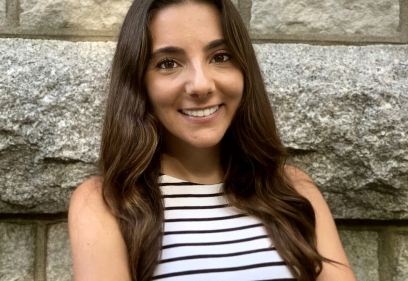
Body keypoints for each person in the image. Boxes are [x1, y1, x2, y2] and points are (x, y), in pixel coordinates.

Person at [68, 0, 356, 280]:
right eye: (168, 63)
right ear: (139, 83)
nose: (201, 85)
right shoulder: (105, 202)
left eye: (220, 57)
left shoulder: (294, 190)